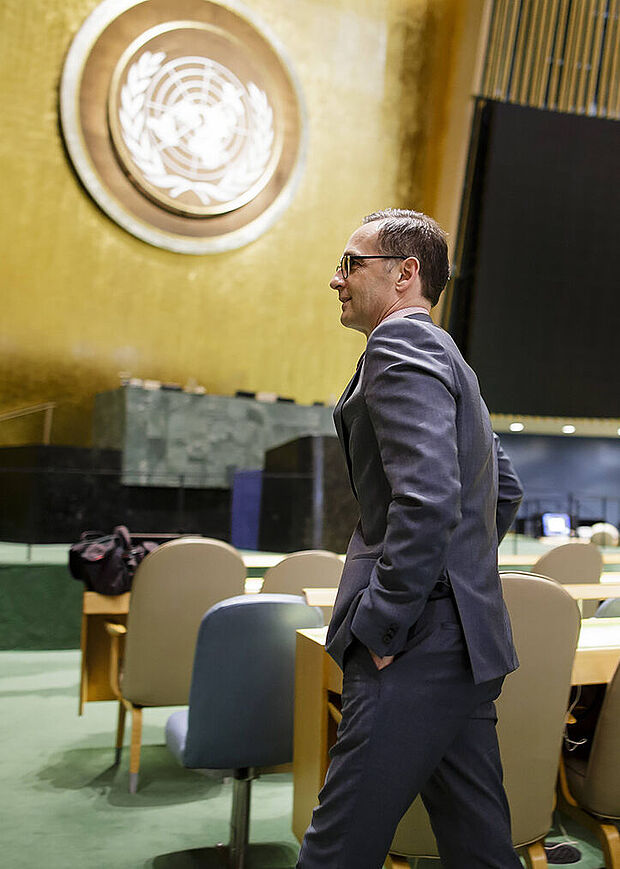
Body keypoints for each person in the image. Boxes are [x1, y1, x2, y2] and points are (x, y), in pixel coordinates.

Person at [296, 209, 524, 869]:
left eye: (350, 263)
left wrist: (387, 622)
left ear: (405, 273)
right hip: (466, 643)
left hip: (414, 645)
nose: (334, 279)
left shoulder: (399, 347)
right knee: (480, 846)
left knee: (335, 851)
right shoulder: (449, 354)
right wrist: (461, 586)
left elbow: (425, 498)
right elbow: (503, 490)